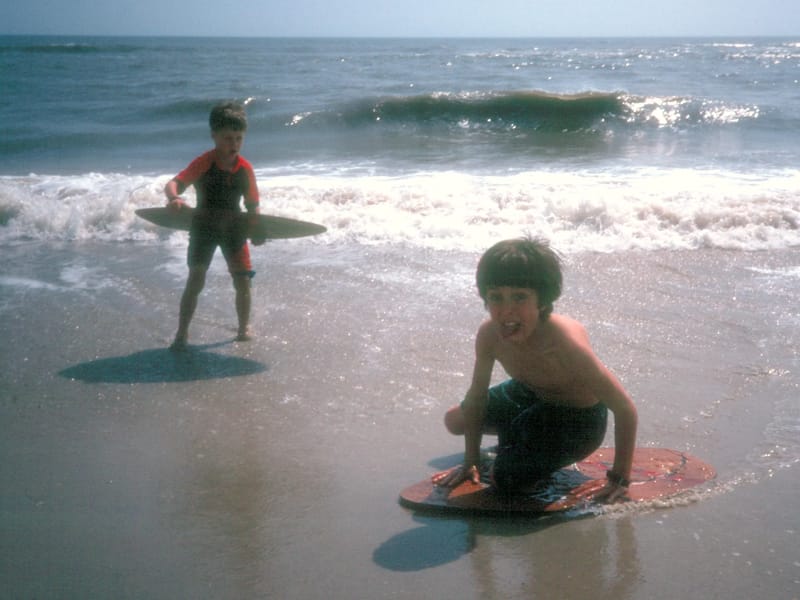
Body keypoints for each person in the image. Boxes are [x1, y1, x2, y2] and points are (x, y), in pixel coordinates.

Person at [432, 237, 637, 503]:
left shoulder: (563, 342)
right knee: (455, 420)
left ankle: (518, 442)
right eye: (496, 297)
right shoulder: (489, 335)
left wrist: (619, 478)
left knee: (507, 479)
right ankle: (517, 436)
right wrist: (470, 461)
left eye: (520, 297)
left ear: (542, 300)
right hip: (528, 394)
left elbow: (624, 409)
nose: (507, 311)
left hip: (578, 417)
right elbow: (476, 399)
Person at [165, 101, 265, 350]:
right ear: (214, 136)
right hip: (204, 228)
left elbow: (253, 205)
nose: (234, 144)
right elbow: (174, 183)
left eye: (239, 138)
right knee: (196, 279)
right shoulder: (204, 162)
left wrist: (257, 229)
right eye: (228, 138)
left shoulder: (245, 170)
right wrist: (174, 198)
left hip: (233, 229)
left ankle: (243, 329)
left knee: (242, 281)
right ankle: (181, 334)